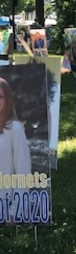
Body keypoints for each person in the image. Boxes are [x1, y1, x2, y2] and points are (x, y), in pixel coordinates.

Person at [0, 78, 32, 216]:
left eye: (0, 97)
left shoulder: (14, 129)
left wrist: (14, 212)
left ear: (7, 100)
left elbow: (23, 172)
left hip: (5, 209)